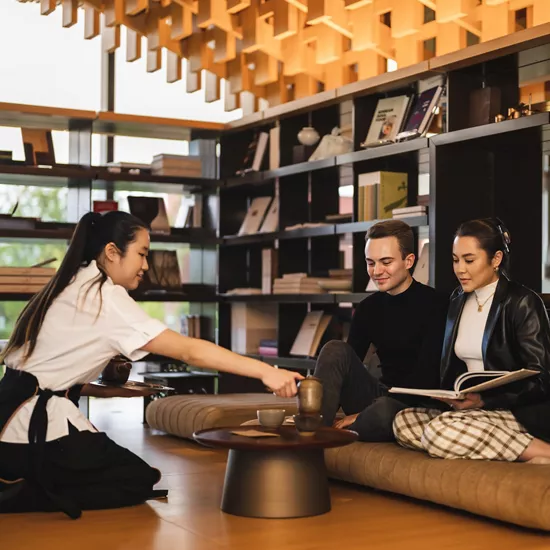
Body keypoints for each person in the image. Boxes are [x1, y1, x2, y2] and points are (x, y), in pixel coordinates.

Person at [0, 211, 303, 519]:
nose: (146, 266)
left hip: (9, 414)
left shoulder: (74, 281)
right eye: (142, 254)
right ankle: (17, 488)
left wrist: (108, 392)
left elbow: (46, 373)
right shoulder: (105, 297)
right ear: (111, 252)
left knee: (129, 475)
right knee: (137, 480)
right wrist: (267, 372)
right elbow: (189, 351)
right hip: (27, 430)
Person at [392, 218, 550, 463]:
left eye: (469, 260)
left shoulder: (523, 302)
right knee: (403, 422)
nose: (459, 269)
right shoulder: (457, 299)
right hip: (474, 412)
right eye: (455, 260)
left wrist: (486, 400)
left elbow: (540, 379)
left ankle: (541, 451)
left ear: (496, 259)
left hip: (514, 411)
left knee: (437, 432)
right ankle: (487, 442)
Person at [313, 220, 448, 442]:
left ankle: (358, 424)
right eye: (370, 263)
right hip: (380, 396)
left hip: (417, 404)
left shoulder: (437, 304)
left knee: (383, 411)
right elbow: (346, 365)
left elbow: (426, 378)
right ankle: (314, 429)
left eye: (386, 262)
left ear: (409, 260)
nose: (376, 272)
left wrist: (362, 415)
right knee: (334, 349)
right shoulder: (368, 308)